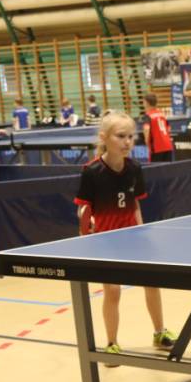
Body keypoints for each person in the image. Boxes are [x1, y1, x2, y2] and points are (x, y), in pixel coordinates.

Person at [74, 112, 177, 363]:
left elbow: (135, 205)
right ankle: (112, 343)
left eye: (131, 136)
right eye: (121, 136)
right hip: (106, 241)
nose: (127, 141)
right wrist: (86, 234)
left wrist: (142, 232)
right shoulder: (92, 171)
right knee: (112, 291)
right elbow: (84, 210)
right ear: (104, 137)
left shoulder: (134, 169)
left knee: (152, 283)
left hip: (133, 237)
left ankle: (159, 333)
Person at [142, 93, 174, 163]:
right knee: (167, 168)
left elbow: (146, 129)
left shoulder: (148, 116)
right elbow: (169, 128)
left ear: (147, 103)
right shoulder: (162, 114)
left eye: (143, 102)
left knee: (155, 168)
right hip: (168, 146)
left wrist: (147, 142)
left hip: (157, 147)